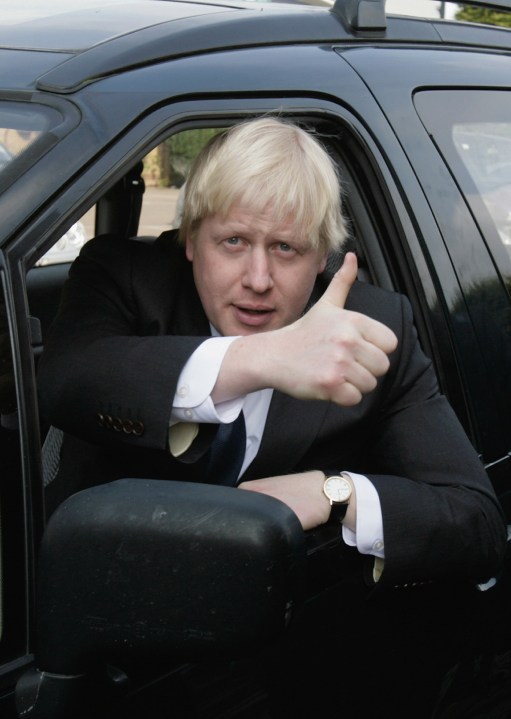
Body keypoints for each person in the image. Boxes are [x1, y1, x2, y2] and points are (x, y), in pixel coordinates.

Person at [37, 116, 507, 716]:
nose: (257, 280)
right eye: (233, 241)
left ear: (323, 259)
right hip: (108, 656)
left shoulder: (372, 329)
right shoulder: (125, 278)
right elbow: (68, 381)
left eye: (286, 248)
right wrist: (260, 359)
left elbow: (476, 521)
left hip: (292, 674)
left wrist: (333, 493)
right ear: (190, 239)